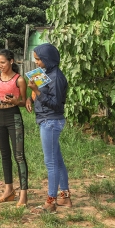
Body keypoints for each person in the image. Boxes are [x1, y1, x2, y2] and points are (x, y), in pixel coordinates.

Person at [26, 43, 71, 212]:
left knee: (50, 163)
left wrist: (37, 92)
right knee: (57, 161)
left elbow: (57, 106)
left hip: (51, 121)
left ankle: (50, 202)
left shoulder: (57, 77)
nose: (36, 62)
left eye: (38, 59)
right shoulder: (44, 73)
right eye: (35, 59)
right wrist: (31, 98)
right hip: (45, 119)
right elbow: (36, 94)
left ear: (47, 59)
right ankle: (65, 198)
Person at [0, 49, 29, 207]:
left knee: (19, 156)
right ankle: (8, 189)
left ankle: (23, 194)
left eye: (2, 62)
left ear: (11, 61)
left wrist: (16, 102)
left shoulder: (19, 80)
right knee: (4, 154)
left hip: (13, 117)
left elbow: (24, 102)